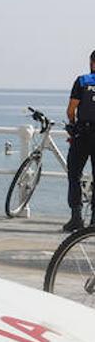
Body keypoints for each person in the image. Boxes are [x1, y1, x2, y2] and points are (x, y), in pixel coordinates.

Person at [64, 50, 95, 231]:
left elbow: (71, 110)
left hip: (83, 133)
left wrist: (73, 126)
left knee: (74, 174)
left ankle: (76, 217)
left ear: (92, 63)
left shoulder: (82, 81)